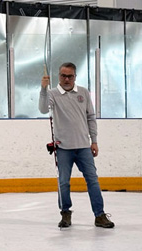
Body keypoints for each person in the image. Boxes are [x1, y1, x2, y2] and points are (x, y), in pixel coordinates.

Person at [39, 62, 114, 229]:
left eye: (70, 76)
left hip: (84, 147)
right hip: (63, 148)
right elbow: (43, 109)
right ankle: (65, 213)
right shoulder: (52, 94)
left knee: (93, 180)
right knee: (63, 182)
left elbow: (91, 117)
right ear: (59, 76)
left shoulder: (83, 93)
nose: (66, 79)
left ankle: (99, 215)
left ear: (75, 77)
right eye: (63, 76)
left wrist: (93, 140)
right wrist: (43, 89)